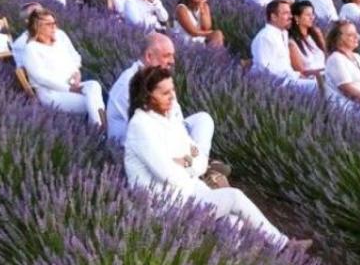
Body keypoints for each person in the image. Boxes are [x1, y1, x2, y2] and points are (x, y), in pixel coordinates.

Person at [123, 66, 308, 251]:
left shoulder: (169, 120)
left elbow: (200, 162)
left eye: (173, 90)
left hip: (190, 193)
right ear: (147, 97)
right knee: (234, 197)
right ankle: (283, 246)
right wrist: (189, 162)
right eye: (165, 93)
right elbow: (169, 176)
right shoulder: (141, 126)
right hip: (165, 208)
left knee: (234, 223)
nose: (172, 96)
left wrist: (183, 161)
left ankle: (239, 264)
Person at [21, 9, 105, 128]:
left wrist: (76, 72)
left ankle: (97, 128)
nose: (54, 27)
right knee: (94, 103)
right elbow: (41, 78)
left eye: (55, 23)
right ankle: (99, 129)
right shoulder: (31, 49)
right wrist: (69, 88)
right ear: (37, 27)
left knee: (94, 85)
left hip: (74, 84)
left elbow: (75, 56)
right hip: (52, 93)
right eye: (49, 24)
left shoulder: (60, 36)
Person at [251, 0, 318, 91]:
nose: (291, 16)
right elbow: (265, 69)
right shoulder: (265, 37)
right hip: (275, 85)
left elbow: (284, 65)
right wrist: (295, 75)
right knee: (320, 87)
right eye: (286, 13)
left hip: (290, 80)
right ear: (273, 17)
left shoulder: (283, 34)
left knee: (326, 84)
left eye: (290, 13)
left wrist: (297, 75)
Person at [287, 0, 327, 78]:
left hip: (327, 75)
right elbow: (301, 72)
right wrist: (325, 71)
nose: (312, 18)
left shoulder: (316, 34)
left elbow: (328, 56)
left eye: (312, 14)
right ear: (297, 18)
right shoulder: (292, 43)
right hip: (312, 80)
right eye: (308, 15)